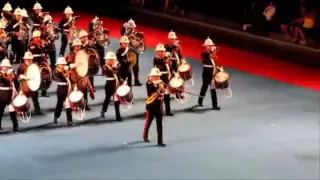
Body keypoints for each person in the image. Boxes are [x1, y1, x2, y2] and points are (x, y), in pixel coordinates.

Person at [66, 38, 94, 111]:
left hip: (83, 74)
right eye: (76, 46)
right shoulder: (70, 55)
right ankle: (75, 104)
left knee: (84, 89)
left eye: (79, 46)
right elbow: (67, 66)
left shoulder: (83, 53)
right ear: (73, 47)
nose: (78, 47)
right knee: (75, 90)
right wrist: (75, 65)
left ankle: (85, 104)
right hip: (74, 75)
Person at [143, 67, 166, 147]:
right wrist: (160, 89)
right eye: (155, 76)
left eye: (158, 76)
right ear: (152, 76)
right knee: (148, 122)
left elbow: (163, 93)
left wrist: (163, 88)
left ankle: (160, 141)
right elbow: (153, 93)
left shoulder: (160, 83)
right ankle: (145, 136)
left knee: (159, 124)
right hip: (151, 106)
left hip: (159, 106)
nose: (157, 77)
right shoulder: (149, 83)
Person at [197, 37, 220, 110]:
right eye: (209, 45)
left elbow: (214, 62)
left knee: (213, 89)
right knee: (204, 87)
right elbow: (207, 59)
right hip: (206, 73)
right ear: (206, 46)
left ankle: (215, 105)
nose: (210, 46)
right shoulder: (204, 53)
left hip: (212, 73)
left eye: (211, 45)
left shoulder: (212, 53)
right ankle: (200, 100)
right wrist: (213, 52)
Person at [100, 51, 122, 121]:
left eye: (112, 60)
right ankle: (103, 110)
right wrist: (114, 67)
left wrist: (122, 80)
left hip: (116, 84)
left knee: (117, 100)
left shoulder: (117, 65)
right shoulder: (104, 67)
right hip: (109, 85)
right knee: (107, 99)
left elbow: (118, 74)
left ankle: (118, 115)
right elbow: (109, 72)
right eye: (109, 59)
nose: (110, 61)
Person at [153, 43, 173, 116]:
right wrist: (166, 60)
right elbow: (159, 67)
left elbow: (169, 68)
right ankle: (158, 111)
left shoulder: (165, 59)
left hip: (166, 79)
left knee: (167, 97)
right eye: (160, 51)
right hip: (160, 80)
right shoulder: (156, 59)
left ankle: (168, 110)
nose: (162, 53)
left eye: (163, 51)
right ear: (157, 52)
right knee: (159, 97)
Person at [53, 57, 74, 126]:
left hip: (67, 88)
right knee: (60, 104)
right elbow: (62, 77)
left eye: (64, 64)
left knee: (68, 104)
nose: (63, 65)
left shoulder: (64, 70)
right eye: (61, 64)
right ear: (58, 65)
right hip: (60, 89)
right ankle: (56, 116)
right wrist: (68, 72)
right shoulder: (56, 71)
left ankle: (70, 121)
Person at [0, 59, 19, 132]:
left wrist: (17, 90)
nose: (6, 68)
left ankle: (15, 126)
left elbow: (16, 82)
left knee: (13, 111)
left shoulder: (12, 73)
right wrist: (7, 74)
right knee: (0, 111)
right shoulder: (1, 74)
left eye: (7, 67)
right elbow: (3, 80)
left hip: (10, 94)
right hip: (1, 95)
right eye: (4, 67)